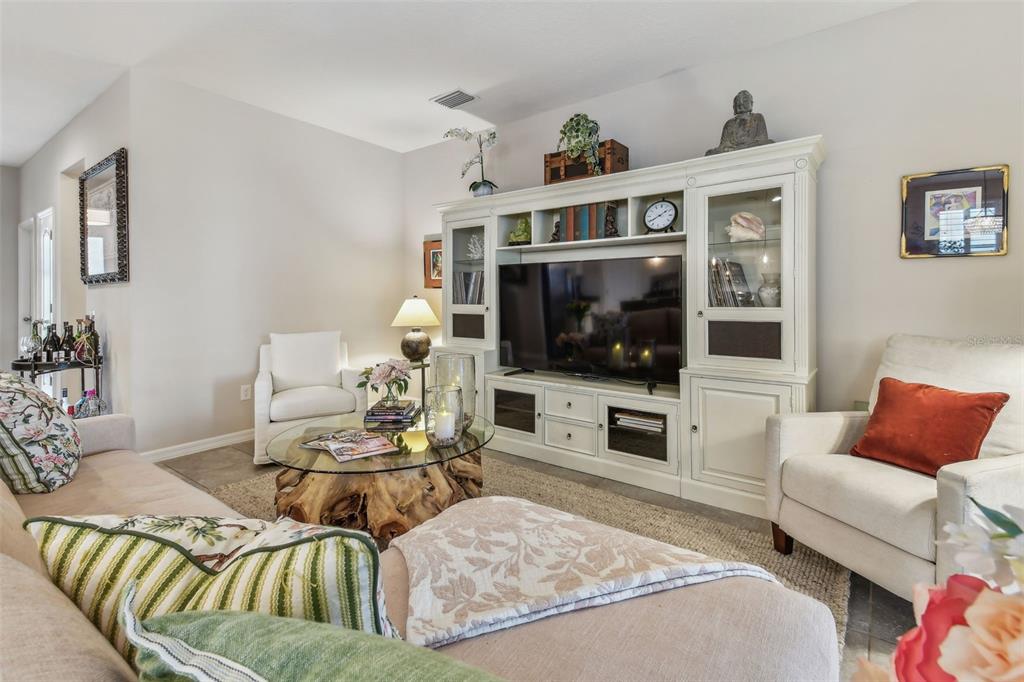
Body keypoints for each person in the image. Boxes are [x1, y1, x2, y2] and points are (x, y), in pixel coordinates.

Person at [706, 90, 774, 155]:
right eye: (738, 101)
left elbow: (761, 139)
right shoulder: (729, 123)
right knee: (711, 152)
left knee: (768, 142)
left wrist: (742, 147)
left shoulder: (758, 118)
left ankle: (738, 149)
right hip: (732, 149)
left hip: (749, 146)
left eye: (745, 100)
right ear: (734, 106)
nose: (741, 103)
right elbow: (724, 145)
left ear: (751, 103)